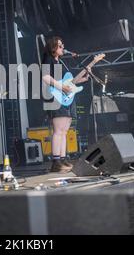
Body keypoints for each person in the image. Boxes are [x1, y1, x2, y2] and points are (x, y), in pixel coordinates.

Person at [41, 36, 89, 173]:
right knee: (58, 131)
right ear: (53, 48)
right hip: (55, 97)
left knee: (64, 132)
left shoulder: (61, 63)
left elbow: (69, 82)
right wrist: (61, 87)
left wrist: (81, 80)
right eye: (60, 46)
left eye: (63, 46)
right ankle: (56, 162)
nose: (63, 48)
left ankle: (62, 159)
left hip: (65, 98)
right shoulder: (48, 59)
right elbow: (45, 77)